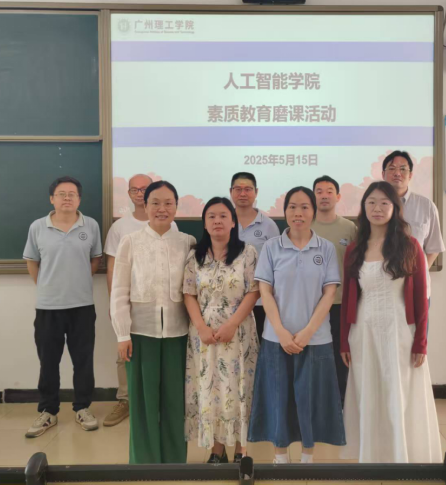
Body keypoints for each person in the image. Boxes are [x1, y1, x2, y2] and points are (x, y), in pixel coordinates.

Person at [340, 181, 441, 463]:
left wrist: (421, 342)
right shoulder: (355, 249)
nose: (377, 208)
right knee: (368, 392)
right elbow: (348, 298)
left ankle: (402, 456)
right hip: (363, 330)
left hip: (399, 330)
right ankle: (372, 457)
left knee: (400, 392)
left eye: (384, 203)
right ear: (363, 207)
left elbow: (421, 298)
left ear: (395, 208)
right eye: (371, 202)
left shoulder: (410, 246)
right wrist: (344, 340)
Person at [248, 187, 345, 464]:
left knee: (311, 400)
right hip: (276, 339)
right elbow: (265, 291)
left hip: (316, 339)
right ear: (285, 211)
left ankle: (307, 457)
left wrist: (307, 331)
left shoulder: (325, 248)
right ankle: (280, 457)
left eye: (304, 207)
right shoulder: (271, 247)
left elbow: (329, 293)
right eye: (292, 206)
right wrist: (280, 331)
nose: (298, 213)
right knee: (278, 398)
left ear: (313, 211)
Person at [110, 181, 195, 464]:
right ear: (144, 206)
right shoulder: (130, 242)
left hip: (178, 335)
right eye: (155, 203)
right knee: (143, 402)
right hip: (139, 334)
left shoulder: (187, 243)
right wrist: (122, 334)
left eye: (168, 203)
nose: (162, 209)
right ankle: (144, 463)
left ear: (176, 207)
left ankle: (174, 461)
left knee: (175, 401)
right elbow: (119, 290)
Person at [23, 176, 102, 438]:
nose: (67, 197)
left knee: (83, 361)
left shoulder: (90, 225)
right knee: (48, 362)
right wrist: (48, 286)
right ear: (52, 199)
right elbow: (32, 262)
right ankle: (48, 411)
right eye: (61, 193)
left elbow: (95, 260)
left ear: (79, 199)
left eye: (72, 194)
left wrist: (77, 283)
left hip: (82, 306)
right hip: (48, 307)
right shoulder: (38, 226)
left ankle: (82, 408)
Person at [183, 198, 260, 464]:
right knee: (210, 389)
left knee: (239, 389)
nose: (217, 221)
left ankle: (241, 450)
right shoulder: (195, 255)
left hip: (239, 333)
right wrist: (201, 327)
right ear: (205, 223)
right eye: (211, 216)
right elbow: (188, 293)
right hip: (204, 336)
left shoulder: (248, 252)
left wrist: (232, 324)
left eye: (223, 216)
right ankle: (216, 449)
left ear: (233, 222)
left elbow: (254, 291)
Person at [310, 175, 357, 402]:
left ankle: (340, 408)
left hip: (340, 304)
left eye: (329, 191)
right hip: (311, 305)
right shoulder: (304, 225)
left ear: (338, 197)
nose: (324, 196)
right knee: (313, 358)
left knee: (341, 359)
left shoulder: (350, 228)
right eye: (319, 191)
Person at [382, 151, 445, 305]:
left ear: (410, 175)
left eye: (403, 169)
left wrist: (418, 275)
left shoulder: (426, 206)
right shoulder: (372, 205)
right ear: (383, 174)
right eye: (392, 168)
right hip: (382, 289)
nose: (397, 173)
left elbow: (434, 248)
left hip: (417, 289)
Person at [229, 172, 280, 341]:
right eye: (238, 189)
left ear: (256, 192)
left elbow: (276, 264)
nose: (243, 193)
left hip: (260, 300)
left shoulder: (269, 226)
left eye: (248, 189)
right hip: (229, 299)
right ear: (231, 192)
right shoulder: (223, 221)